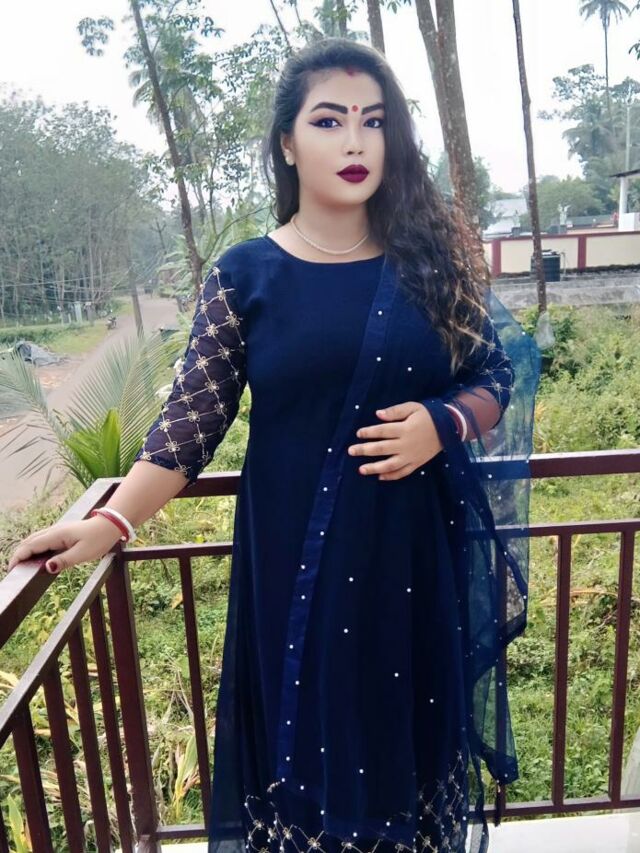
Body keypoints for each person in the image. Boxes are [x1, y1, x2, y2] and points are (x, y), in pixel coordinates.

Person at [8, 37, 540, 853]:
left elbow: (496, 373)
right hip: (296, 566)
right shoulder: (245, 275)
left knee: (400, 749)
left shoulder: (431, 265)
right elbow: (190, 424)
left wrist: (444, 422)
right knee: (310, 764)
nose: (356, 141)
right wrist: (108, 522)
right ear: (288, 143)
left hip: (409, 560)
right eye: (329, 121)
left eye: (374, 121)